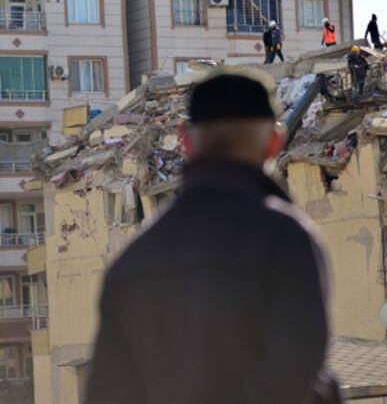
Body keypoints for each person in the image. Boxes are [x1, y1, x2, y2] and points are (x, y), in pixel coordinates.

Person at [86, 71, 339, 404]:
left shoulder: (132, 260)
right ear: (275, 142)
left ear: (186, 141)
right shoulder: (286, 238)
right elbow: (294, 371)